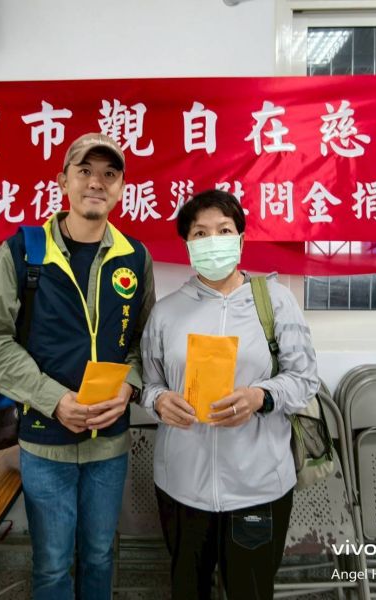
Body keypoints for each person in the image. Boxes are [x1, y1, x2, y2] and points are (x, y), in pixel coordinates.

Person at [0, 132, 155, 600]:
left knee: (99, 555)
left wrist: (129, 385)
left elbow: (145, 341)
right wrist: (52, 399)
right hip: (44, 442)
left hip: (109, 444)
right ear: (62, 181)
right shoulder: (23, 251)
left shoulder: (135, 256)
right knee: (51, 565)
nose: (96, 182)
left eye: (109, 174)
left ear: (121, 188)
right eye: (84, 171)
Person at [140, 189, 318, 600]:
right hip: (183, 487)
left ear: (240, 239)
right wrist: (159, 401)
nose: (212, 240)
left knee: (250, 591)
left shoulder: (275, 301)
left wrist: (260, 396)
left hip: (258, 486)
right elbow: (148, 385)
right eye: (200, 233)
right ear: (188, 244)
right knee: (189, 591)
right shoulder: (166, 312)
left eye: (223, 230)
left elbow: (305, 378)